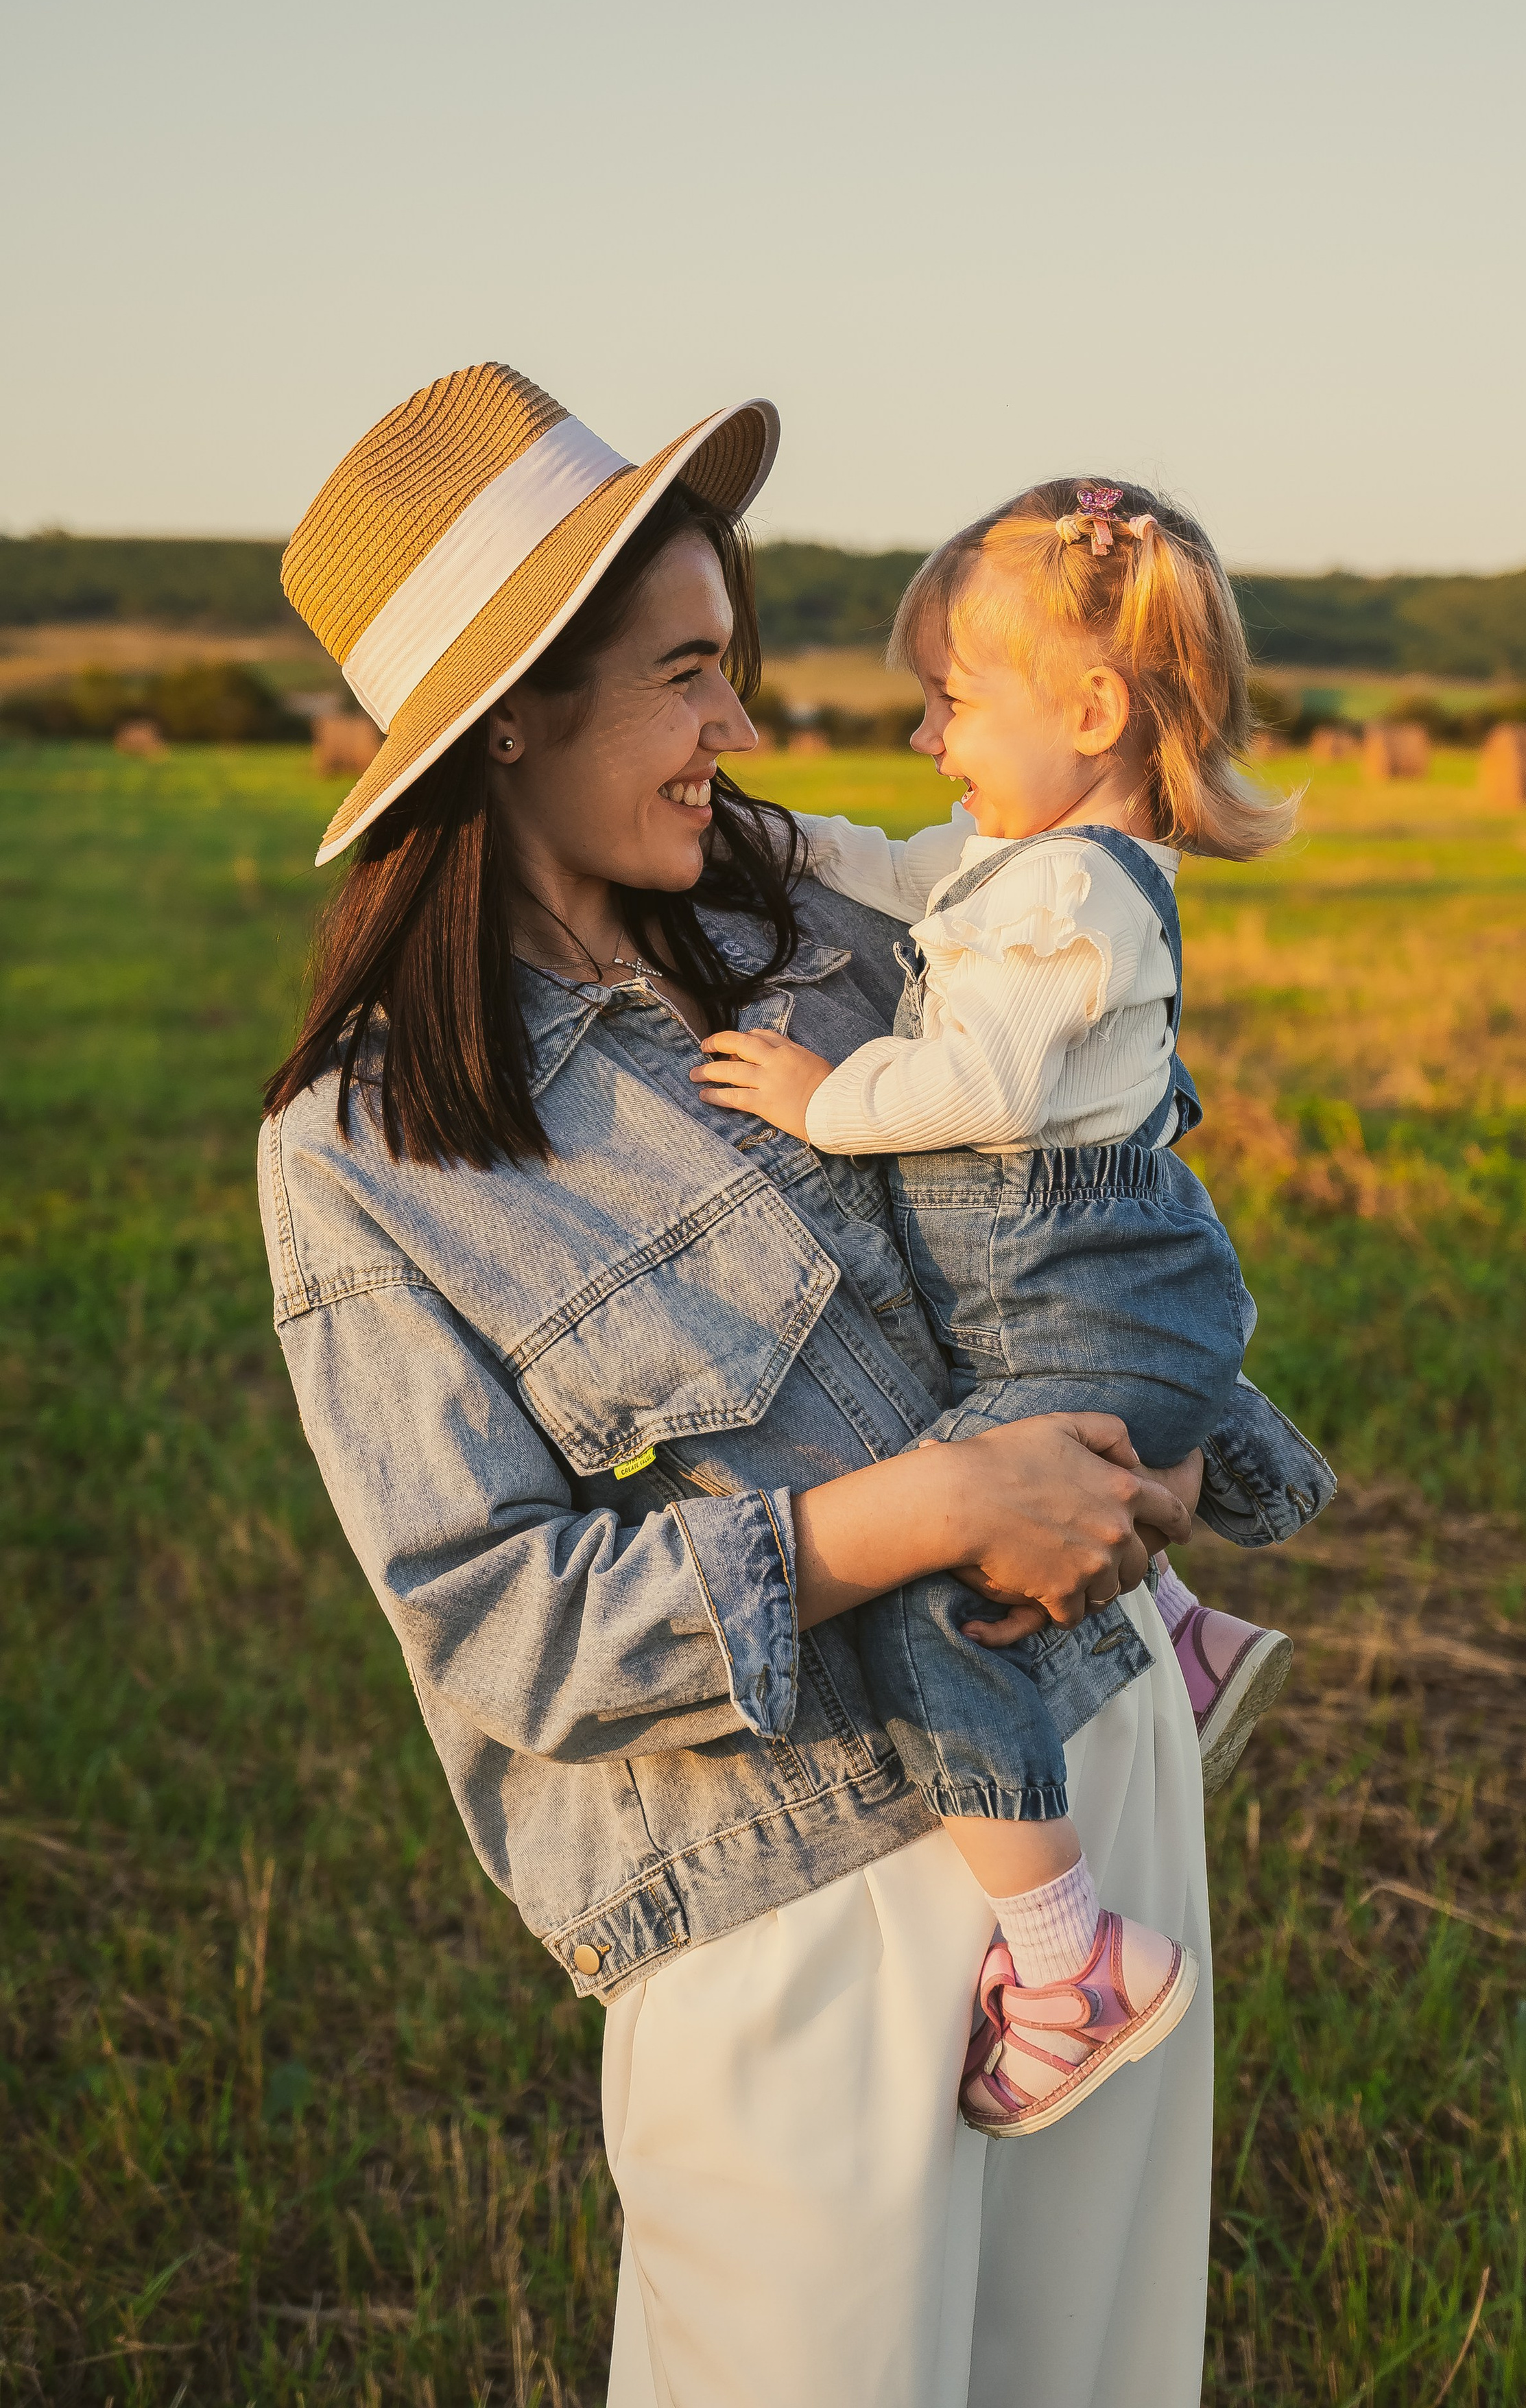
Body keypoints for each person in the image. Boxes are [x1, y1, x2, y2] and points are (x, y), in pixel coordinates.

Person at [262, 363, 1213, 2407]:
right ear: (512, 710)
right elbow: (504, 1624)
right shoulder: (369, 1148)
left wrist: (1158, 1434)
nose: (745, 727)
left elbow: (1100, 1175)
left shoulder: (841, 938)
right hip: (792, 1910)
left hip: (1096, 1772)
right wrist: (943, 1510)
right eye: (693, 672)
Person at [691, 480, 1332, 2136]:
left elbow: (971, 1076)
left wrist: (820, 1100)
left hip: (1076, 1291)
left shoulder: (1083, 900)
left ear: (1095, 710)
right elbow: (914, 871)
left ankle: (1067, 1962)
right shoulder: (1021, 864)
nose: (924, 736)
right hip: (1103, 1284)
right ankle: (1174, 1635)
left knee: (933, 1597)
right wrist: (773, 841)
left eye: (952, 702)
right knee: (1102, 1429)